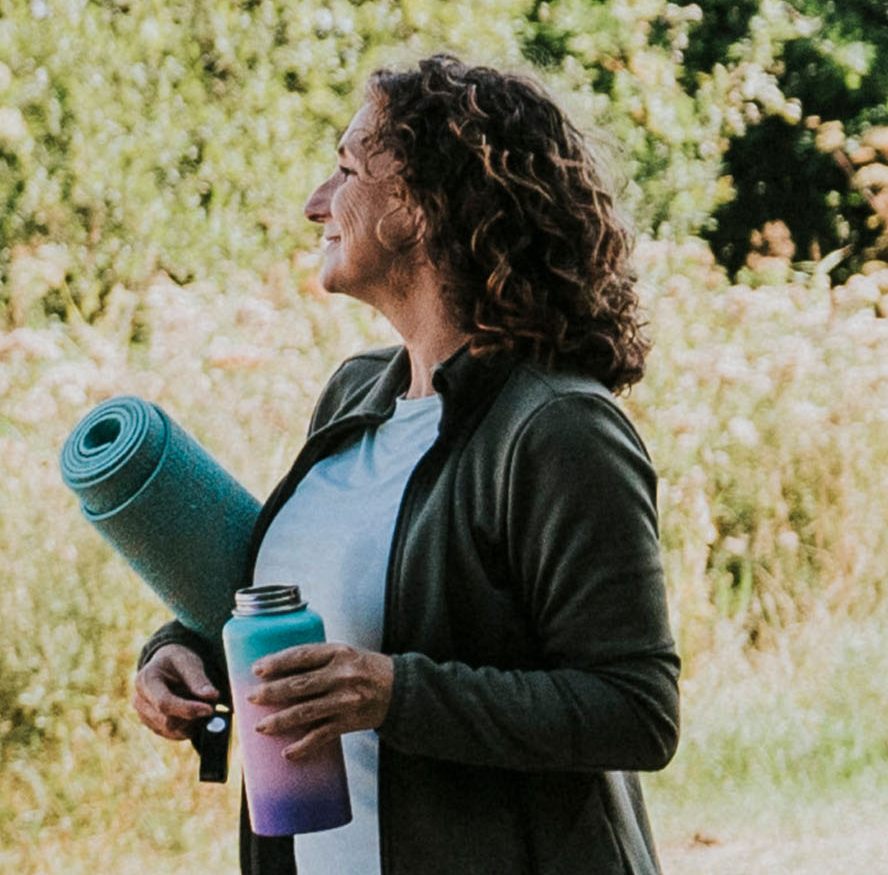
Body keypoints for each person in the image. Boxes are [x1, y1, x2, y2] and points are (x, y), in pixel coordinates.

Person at [127, 54, 680, 875]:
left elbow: (637, 709)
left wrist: (394, 695)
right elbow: (310, 592)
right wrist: (187, 649)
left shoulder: (559, 428)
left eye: (346, 170)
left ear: (424, 208)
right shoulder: (354, 394)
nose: (317, 202)